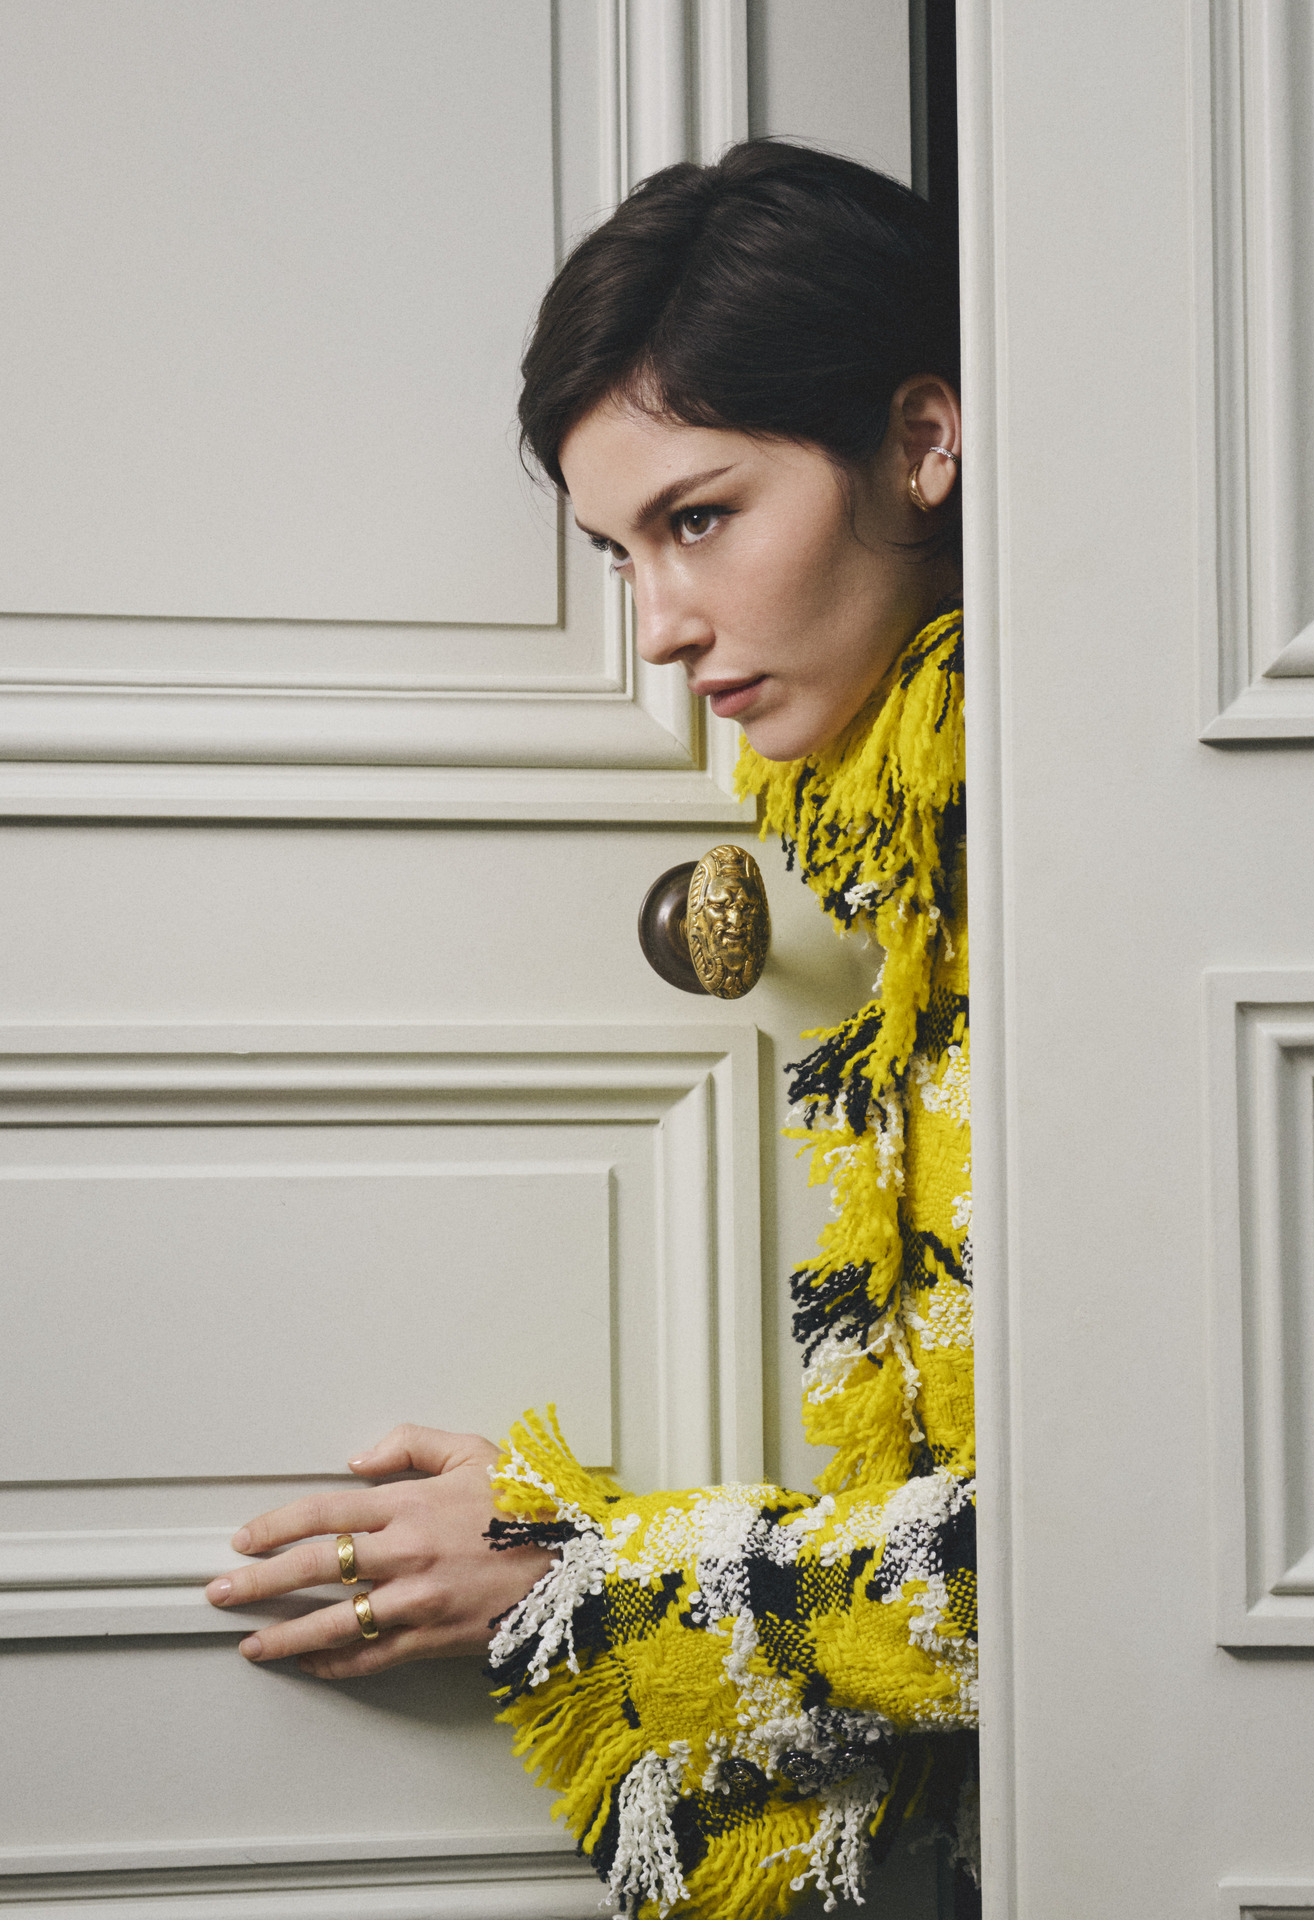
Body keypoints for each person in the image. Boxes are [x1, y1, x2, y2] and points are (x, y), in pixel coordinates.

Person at [205, 141, 976, 1920]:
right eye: (619, 550)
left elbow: (1113, 1572)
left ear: (923, 440)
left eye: (697, 518)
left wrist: (581, 1578)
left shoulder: (1071, 874)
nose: (660, 630)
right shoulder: (908, 857)